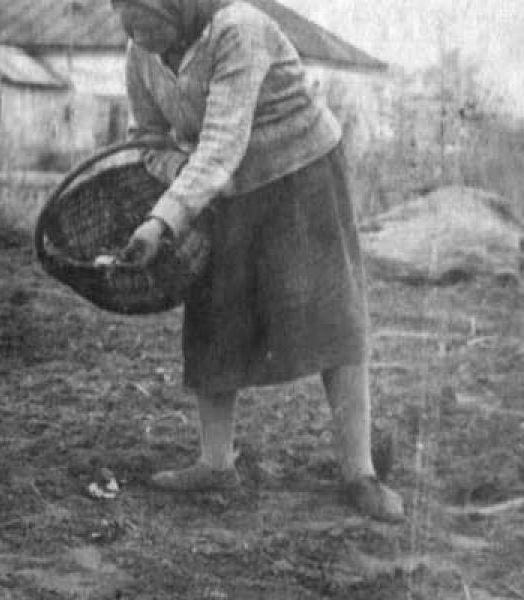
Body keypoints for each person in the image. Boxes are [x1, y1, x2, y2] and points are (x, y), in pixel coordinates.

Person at [108, 0, 405, 522]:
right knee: (214, 315)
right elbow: (148, 138)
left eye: (144, 14)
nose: (134, 29)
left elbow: (223, 144)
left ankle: (360, 473)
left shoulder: (238, 30)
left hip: (300, 171)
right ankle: (215, 463)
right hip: (217, 189)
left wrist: (161, 220)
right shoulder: (141, 54)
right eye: (124, 15)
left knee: (332, 318)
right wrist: (177, 169)